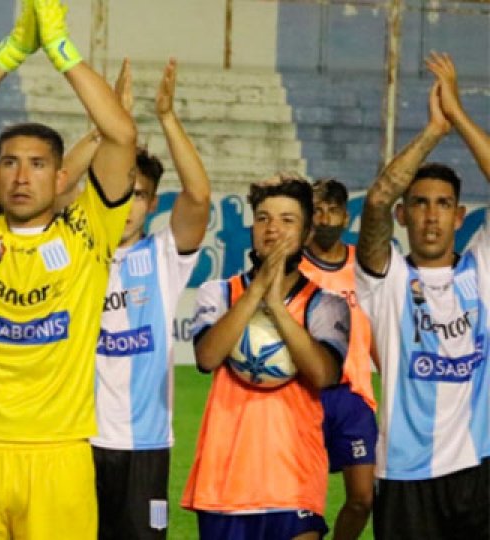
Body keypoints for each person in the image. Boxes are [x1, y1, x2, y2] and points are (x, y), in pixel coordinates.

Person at [0, 0, 137, 537]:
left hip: (57, 453)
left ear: (62, 176)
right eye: (10, 163)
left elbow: (122, 137)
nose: (22, 176)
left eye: (38, 164)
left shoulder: (89, 233)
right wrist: (13, 49)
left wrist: (61, 49)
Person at [61, 57, 211, 539]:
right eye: (117, 192)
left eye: (139, 195)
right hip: (75, 437)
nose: (125, 206)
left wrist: (166, 118)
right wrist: (109, 128)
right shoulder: (72, 247)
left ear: (152, 203)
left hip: (145, 445)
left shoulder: (164, 255)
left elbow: (199, 196)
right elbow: (59, 185)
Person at [355, 52, 490, 539]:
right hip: (404, 477)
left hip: (478, 471)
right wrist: (433, 131)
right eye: (420, 204)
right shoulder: (385, 279)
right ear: (404, 216)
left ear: (459, 217)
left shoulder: (482, 269)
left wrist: (457, 114)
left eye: (443, 205)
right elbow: (374, 200)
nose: (431, 217)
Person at [182, 175, 350, 540]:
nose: (272, 229)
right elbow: (207, 357)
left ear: (307, 234)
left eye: (287, 220)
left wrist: (275, 305)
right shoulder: (218, 293)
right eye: (263, 218)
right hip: (224, 482)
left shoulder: (327, 305)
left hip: (294, 478)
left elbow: (324, 374)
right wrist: (257, 289)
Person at [298, 178, 377, 540]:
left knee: (362, 498)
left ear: (347, 217)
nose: (326, 219)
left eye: (334, 211)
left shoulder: (365, 268)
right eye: (318, 211)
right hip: (304, 398)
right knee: (300, 503)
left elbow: (378, 331)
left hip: (353, 398)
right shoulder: (292, 267)